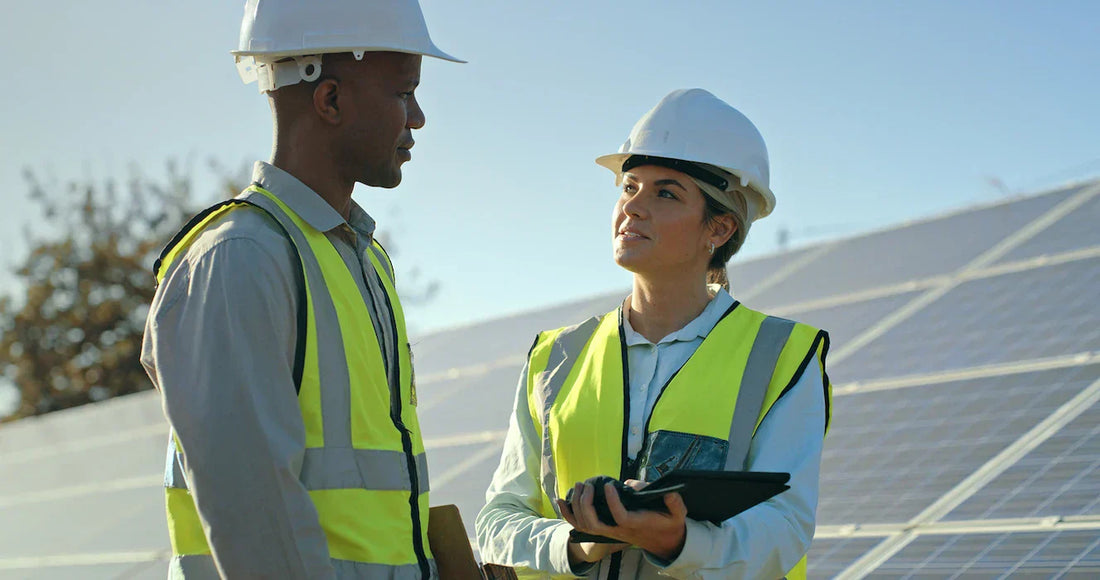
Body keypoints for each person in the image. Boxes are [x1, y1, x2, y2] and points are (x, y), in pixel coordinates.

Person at [140, 1, 462, 578]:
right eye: (402, 92)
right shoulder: (241, 258)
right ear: (330, 100)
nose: (417, 118)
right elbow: (256, 522)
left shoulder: (365, 259)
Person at [475, 89, 832, 579]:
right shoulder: (555, 356)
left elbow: (784, 530)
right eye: (629, 187)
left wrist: (682, 542)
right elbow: (497, 520)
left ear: (721, 228)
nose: (633, 208)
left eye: (666, 193)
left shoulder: (783, 358)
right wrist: (578, 542)